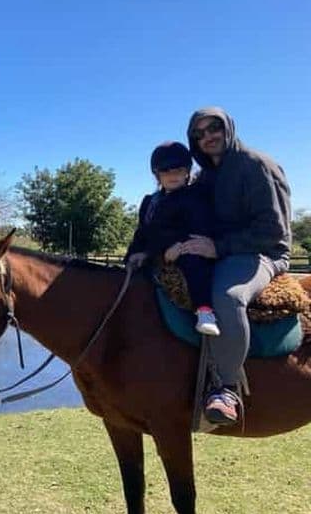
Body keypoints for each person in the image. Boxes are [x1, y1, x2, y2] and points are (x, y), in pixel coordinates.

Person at [180, 107, 292, 426]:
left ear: (228, 127)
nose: (207, 137)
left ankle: (226, 389)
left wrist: (219, 247)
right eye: (198, 134)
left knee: (227, 296)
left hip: (262, 253)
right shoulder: (205, 177)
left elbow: (274, 231)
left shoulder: (257, 166)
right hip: (221, 251)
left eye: (213, 128)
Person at [125, 141, 220, 336]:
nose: (173, 175)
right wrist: (137, 252)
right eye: (166, 171)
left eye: (178, 169)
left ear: (187, 171)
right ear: (157, 175)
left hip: (185, 247)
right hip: (158, 253)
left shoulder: (195, 197)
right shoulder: (149, 202)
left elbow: (197, 227)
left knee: (195, 263)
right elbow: (142, 232)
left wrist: (173, 248)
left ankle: (204, 311)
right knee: (129, 273)